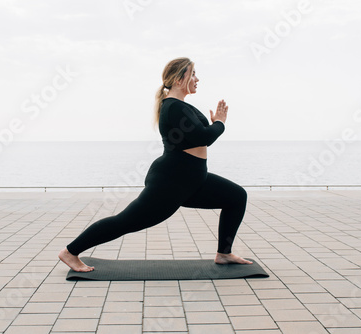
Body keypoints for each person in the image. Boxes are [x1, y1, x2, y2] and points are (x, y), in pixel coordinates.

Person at [59, 57, 252, 272]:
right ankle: (70, 252)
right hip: (172, 182)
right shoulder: (174, 107)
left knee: (236, 197)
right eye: (193, 74)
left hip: (194, 179)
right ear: (180, 79)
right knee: (126, 221)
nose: (197, 78)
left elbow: (199, 135)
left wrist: (214, 124)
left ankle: (224, 253)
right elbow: (202, 137)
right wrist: (220, 123)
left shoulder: (180, 106)